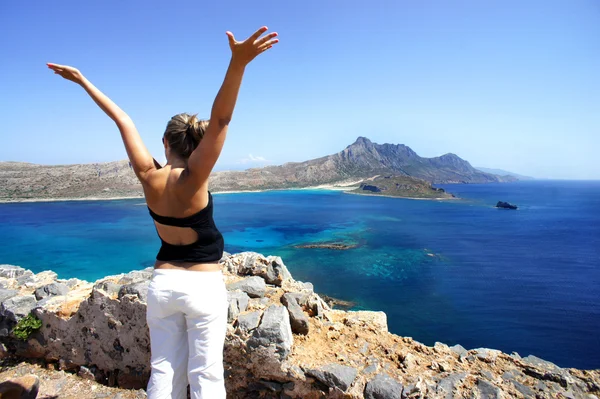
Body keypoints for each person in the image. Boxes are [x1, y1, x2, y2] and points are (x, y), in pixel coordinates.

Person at [47, 26, 279, 399]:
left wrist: (82, 80)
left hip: (163, 286)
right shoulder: (195, 178)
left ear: (165, 142)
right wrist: (238, 64)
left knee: (163, 372)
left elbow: (123, 120)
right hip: (202, 287)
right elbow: (221, 120)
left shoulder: (148, 176)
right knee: (206, 376)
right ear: (194, 144)